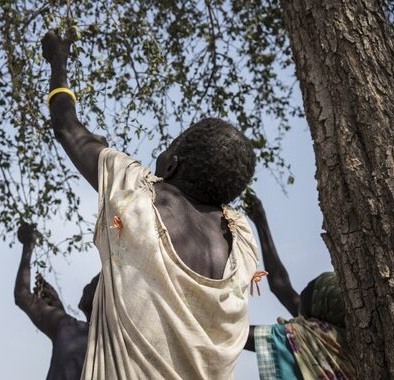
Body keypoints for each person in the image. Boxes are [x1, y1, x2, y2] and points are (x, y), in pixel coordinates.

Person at [41, 30, 260, 379]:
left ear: (172, 164)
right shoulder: (243, 239)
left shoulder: (137, 198)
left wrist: (58, 61)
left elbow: (67, 126)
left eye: (167, 149)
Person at [243, 194, 356, 380]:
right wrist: (261, 223)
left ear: (318, 317)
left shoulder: (318, 338)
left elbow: (235, 334)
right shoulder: (344, 330)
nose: (298, 311)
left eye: (305, 299)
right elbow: (280, 287)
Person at [14, 223, 99, 380]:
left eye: (92, 285)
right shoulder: (118, 345)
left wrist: (28, 246)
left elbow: (22, 294)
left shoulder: (67, 328)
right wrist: (60, 312)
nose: (87, 285)